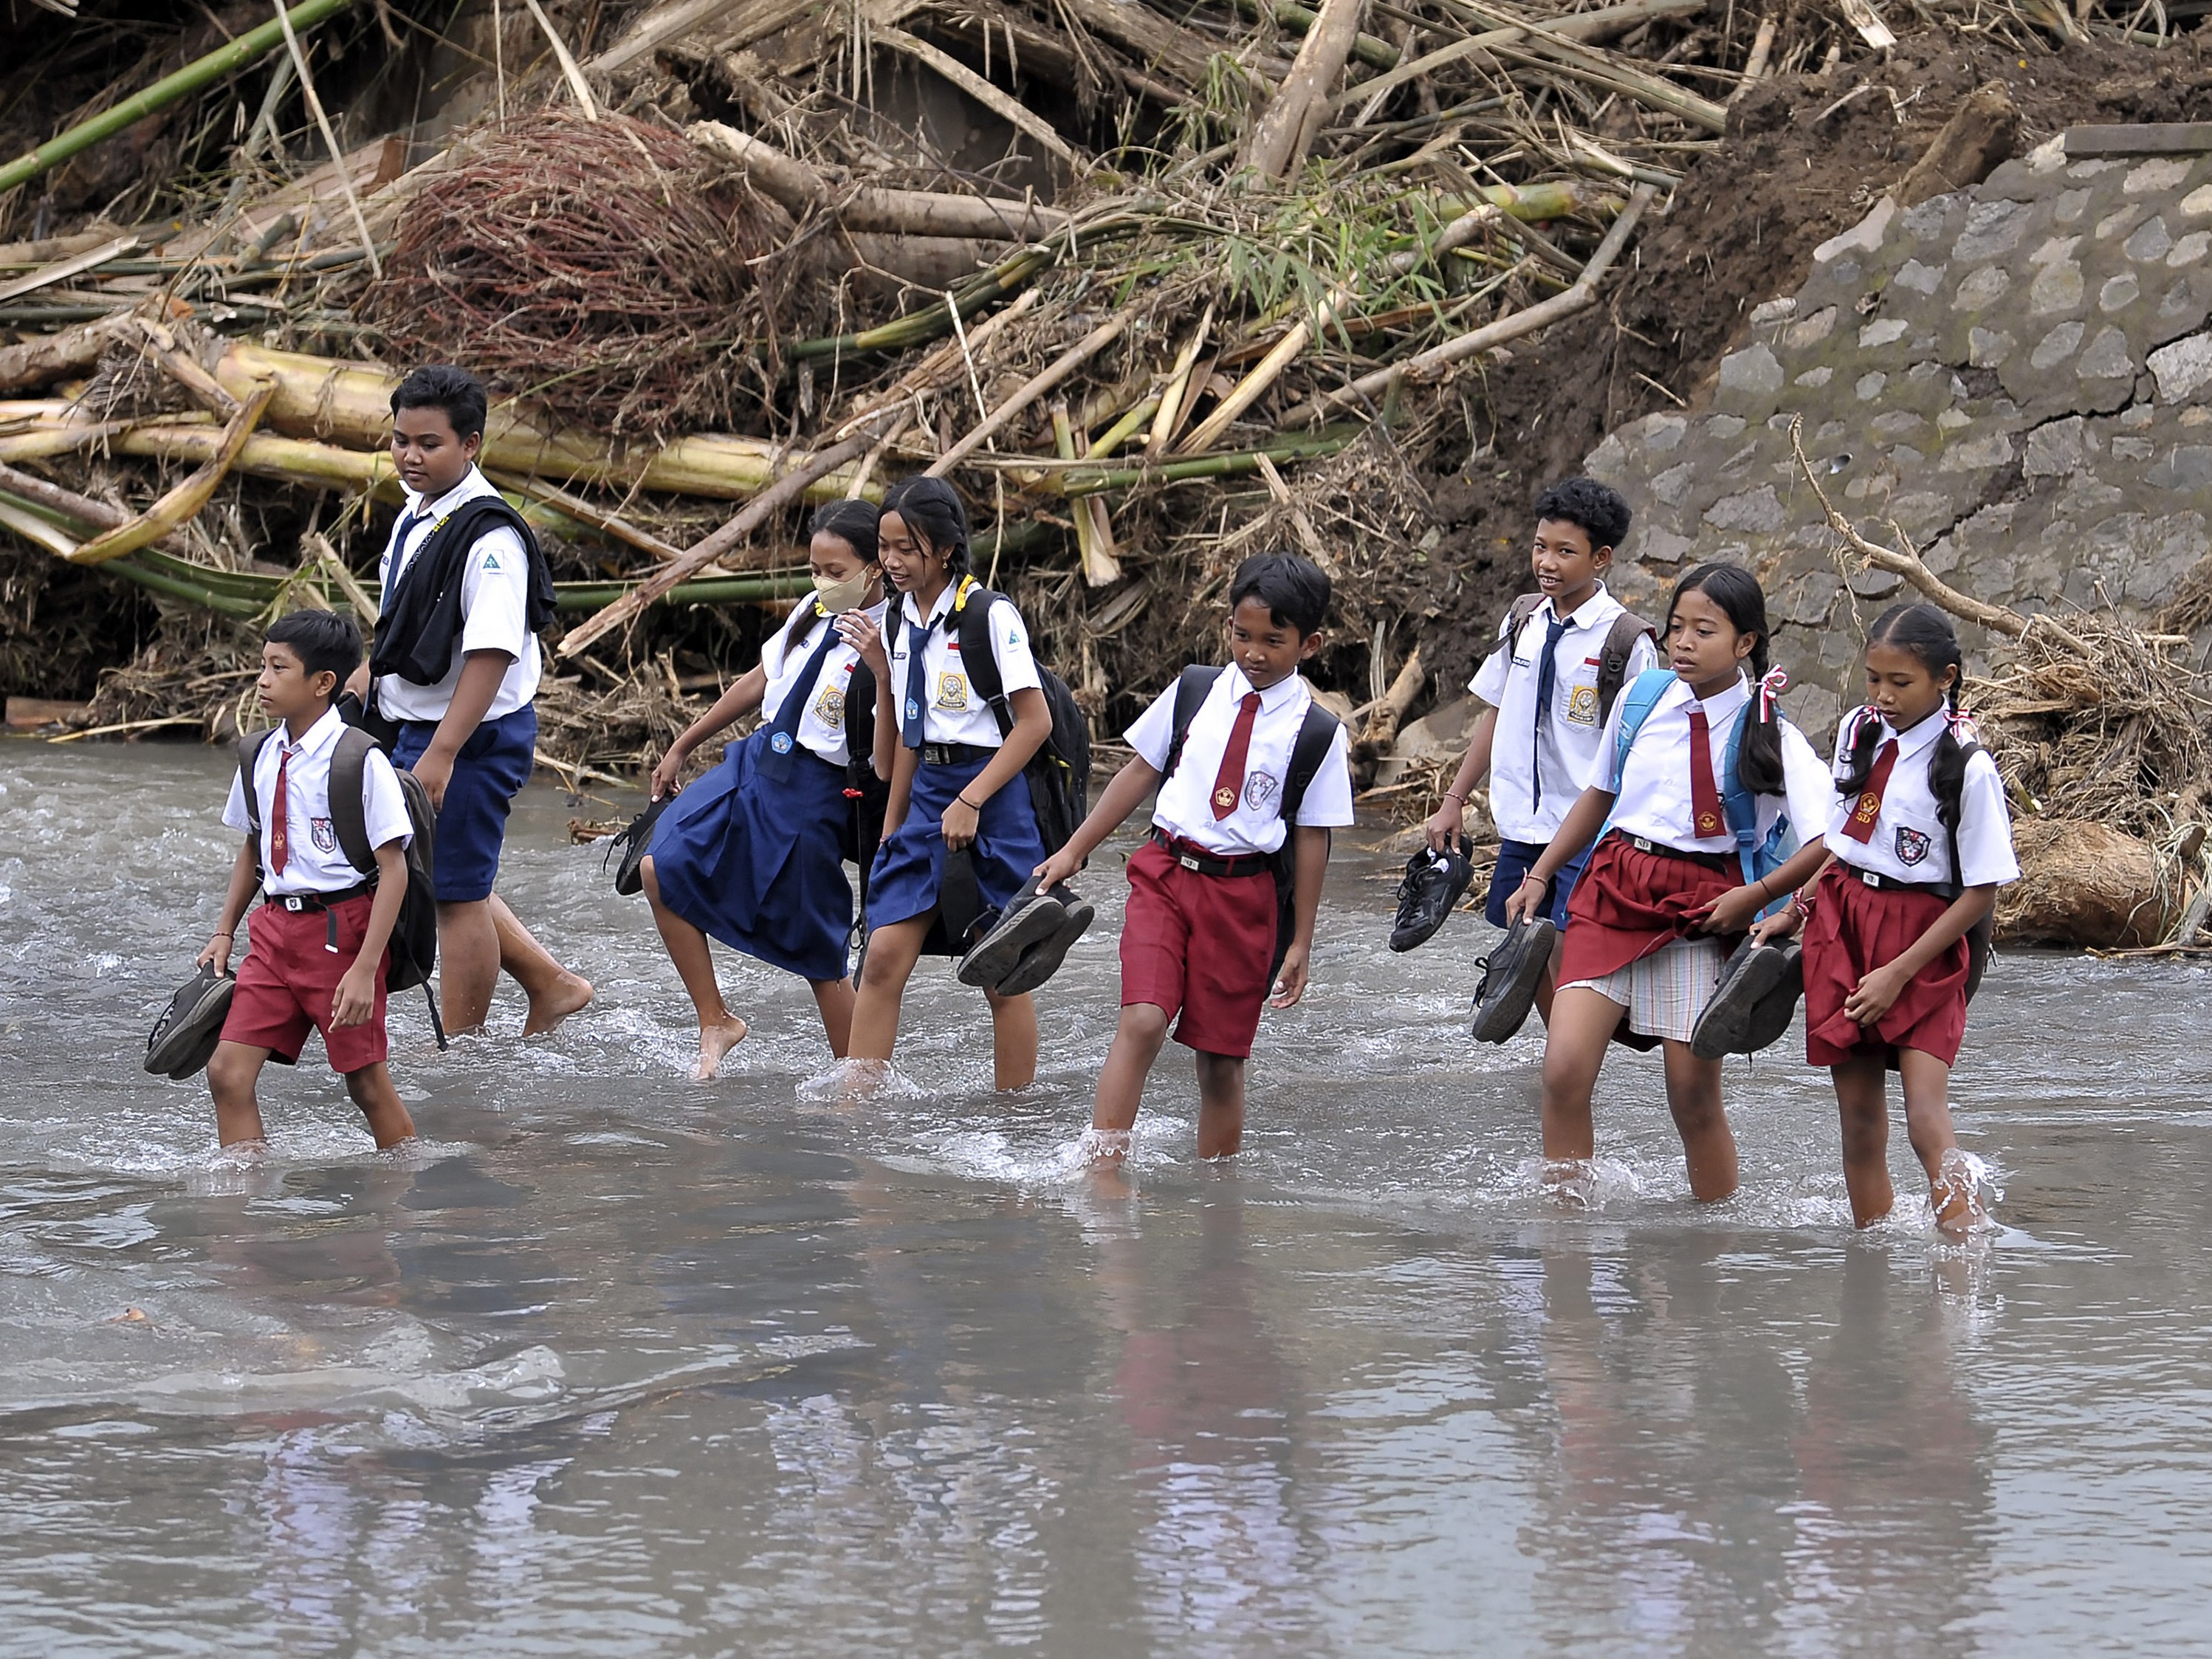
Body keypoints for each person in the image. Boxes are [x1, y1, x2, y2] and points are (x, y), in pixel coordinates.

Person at [1505, 563, 1833, 1202]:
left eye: (1704, 630)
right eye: (1677, 626)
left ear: (1745, 643)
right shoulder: (1642, 699)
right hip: (1610, 889)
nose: (1683, 642)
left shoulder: (1770, 730)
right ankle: (1565, 1232)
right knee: (1564, 1070)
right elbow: (1600, 795)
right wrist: (1541, 874)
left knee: (1691, 1095)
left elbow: (1832, 840)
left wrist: (1761, 898)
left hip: (1703, 909)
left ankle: (1708, 1249)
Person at [1034, 552, 1353, 1161]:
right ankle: (1103, 1170)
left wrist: (1301, 941)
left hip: (1244, 899)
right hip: (1165, 873)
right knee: (1144, 1019)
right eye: (1242, 634)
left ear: (1309, 644)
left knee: (1220, 1065)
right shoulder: (1195, 689)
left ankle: (1218, 1207)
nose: (1253, 652)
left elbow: (1314, 839)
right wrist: (1074, 850)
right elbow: (1139, 771)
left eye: (1272, 641)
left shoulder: (1317, 733)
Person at [346, 363, 594, 1038]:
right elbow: (415, 619)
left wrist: (444, 753)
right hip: (412, 721)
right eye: (401, 439)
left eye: (430, 444)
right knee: (451, 879)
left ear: (471, 445)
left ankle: (462, 1049)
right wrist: (368, 678)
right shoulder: (418, 510)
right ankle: (550, 982)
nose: (410, 455)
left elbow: (490, 653)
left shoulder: (490, 538)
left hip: (468, 734)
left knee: (455, 898)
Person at [1757, 603, 2018, 1236]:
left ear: (1945, 678)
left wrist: (1898, 974)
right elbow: (1844, 846)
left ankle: (1965, 1258)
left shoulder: (1967, 767)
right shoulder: (1858, 731)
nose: (1883, 695)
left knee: (1926, 1117)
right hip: (1842, 926)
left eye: (1901, 682)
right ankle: (1870, 1261)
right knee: (1860, 1122)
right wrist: (1795, 911)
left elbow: (1980, 892)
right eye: (1874, 678)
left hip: (1922, 942)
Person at [639, 500, 892, 1079]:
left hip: (818, 791)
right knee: (660, 866)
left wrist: (879, 667)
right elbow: (761, 679)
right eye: (815, 569)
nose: (822, 582)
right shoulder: (812, 609)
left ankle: (861, 1079)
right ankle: (715, 1017)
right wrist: (684, 741)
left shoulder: (894, 638)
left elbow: (895, 741)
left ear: (874, 569)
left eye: (835, 571)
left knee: (817, 952)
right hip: (757, 761)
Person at [844, 477, 1054, 1090]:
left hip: (991, 796)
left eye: (907, 547)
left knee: (1000, 970)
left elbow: (1034, 723)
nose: (891, 561)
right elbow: (905, 743)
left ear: (943, 549)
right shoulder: (899, 620)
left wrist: (971, 799)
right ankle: (857, 1108)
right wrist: (890, 827)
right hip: (927, 797)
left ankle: (1011, 1117)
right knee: (881, 957)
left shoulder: (990, 615)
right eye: (884, 547)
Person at [1426, 477, 1658, 1016]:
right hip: (1523, 824)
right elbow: (1496, 710)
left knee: (1568, 954)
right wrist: (1455, 798)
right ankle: (1564, 1067)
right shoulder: (1525, 619)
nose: (1546, 562)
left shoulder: (1625, 642)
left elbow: (1637, 756)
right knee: (1529, 952)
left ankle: (1574, 1066)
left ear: (1601, 558)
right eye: (1539, 546)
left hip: (1587, 831)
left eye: (1564, 551)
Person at [200, 611, 417, 1152]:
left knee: (365, 1084)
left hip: (342, 932)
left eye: (279, 668)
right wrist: (225, 930)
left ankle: (409, 1195)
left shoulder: (360, 761)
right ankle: (245, 1212)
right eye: (262, 665)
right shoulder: (258, 754)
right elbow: (253, 843)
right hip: (273, 932)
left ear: (323, 683)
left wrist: (366, 969)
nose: (262, 679)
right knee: (227, 1072)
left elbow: (395, 868)